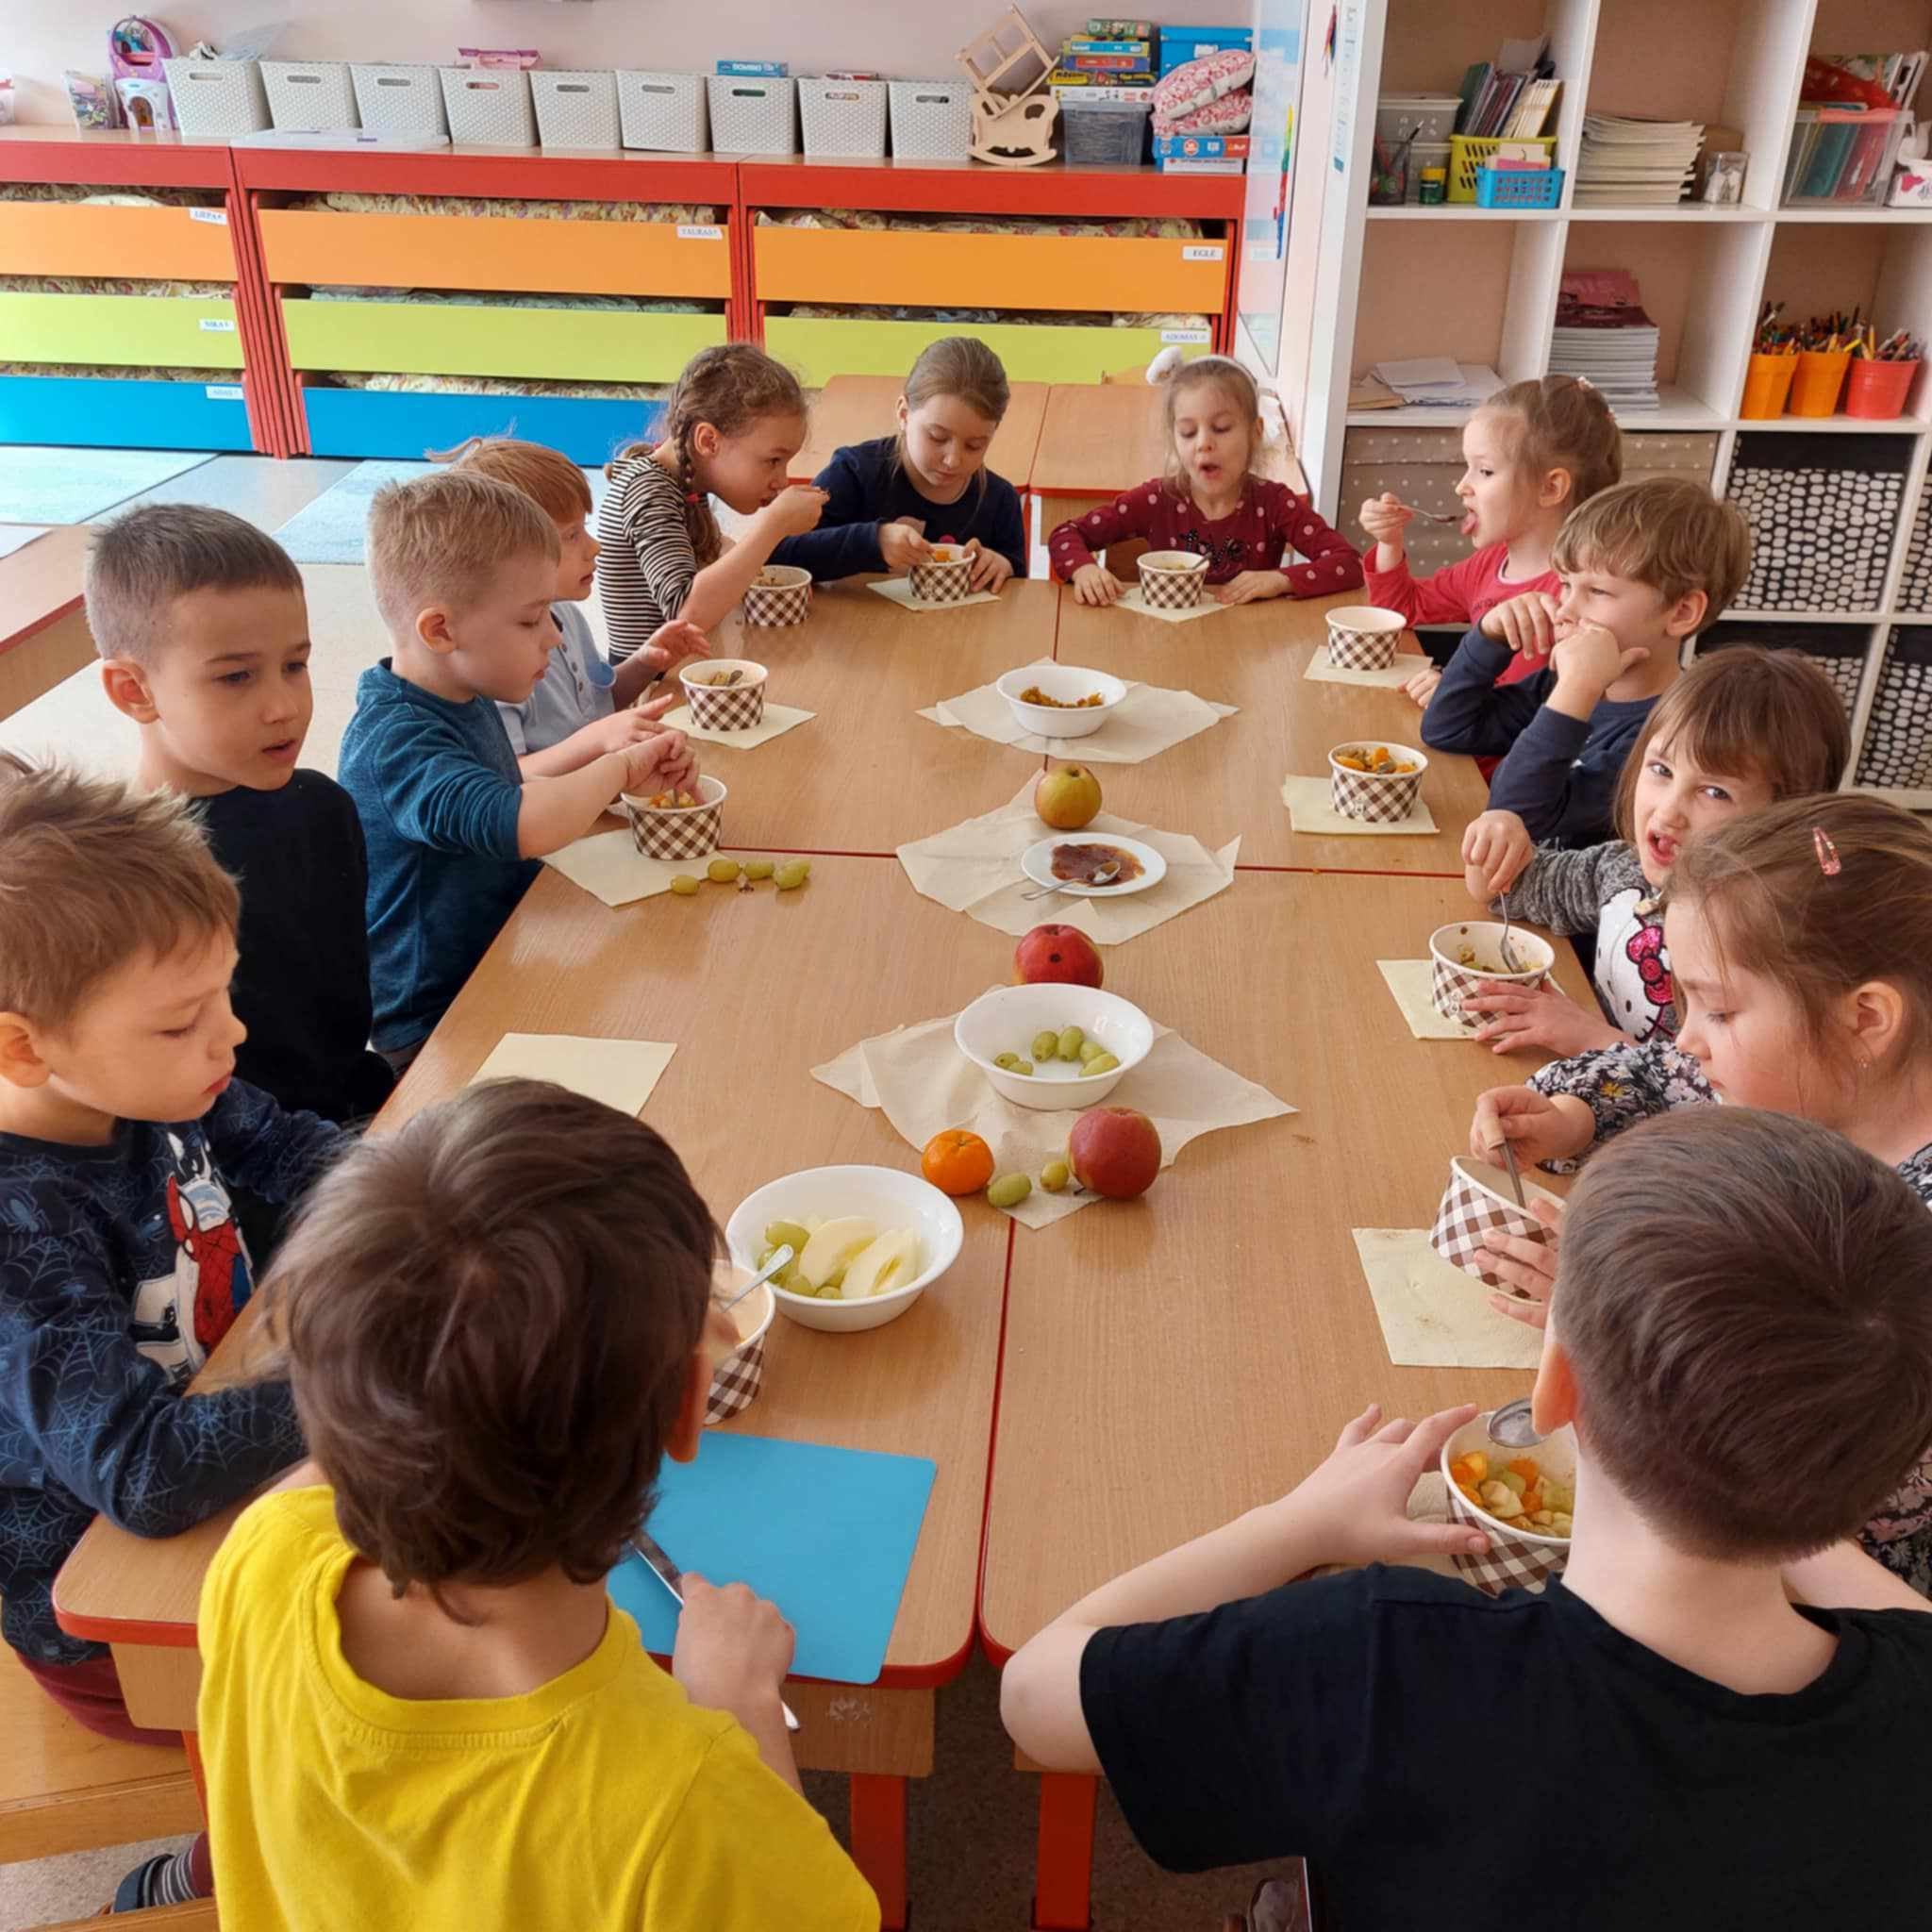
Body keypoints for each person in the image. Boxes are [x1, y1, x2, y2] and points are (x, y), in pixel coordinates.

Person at [1000, 1108, 1932, 1931]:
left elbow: (1035, 1698)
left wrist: (1297, 1524)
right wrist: (1785, 1449)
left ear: (1554, 1384)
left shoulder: (1381, 1660)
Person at [198, 1080, 879, 1931]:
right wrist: (740, 1708)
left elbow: (346, 1447)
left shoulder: (263, 1553)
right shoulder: (693, 1811)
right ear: (689, 1407)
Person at [0, 756, 343, 1911]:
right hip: (111, 1621)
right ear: (24, 1048)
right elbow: (143, 1475)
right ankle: (226, 1861)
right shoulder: (21, 1230)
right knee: (409, 1671)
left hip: (218, 1427)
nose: (231, 1035)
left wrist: (424, 1203)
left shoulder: (149, 1082)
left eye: (225, 996)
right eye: (184, 1019)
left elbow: (289, 1146)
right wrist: (359, 1375)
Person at [1472, 794, 1932, 1592]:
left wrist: (1626, 1323)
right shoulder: (1811, 1084)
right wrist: (1573, 1118)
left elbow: (1835, 1458)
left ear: (1865, 1018)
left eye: (1717, 1009)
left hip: (1819, 1584)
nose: (1687, 1037)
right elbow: (1665, 1074)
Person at [341, 471, 695, 1070]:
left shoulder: (464, 691)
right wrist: (619, 767)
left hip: (506, 952)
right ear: (441, 630)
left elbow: (514, 787)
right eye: (532, 620)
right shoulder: (395, 742)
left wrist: (619, 778)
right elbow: (518, 821)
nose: (554, 638)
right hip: (435, 1023)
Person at [88, 505, 392, 1137]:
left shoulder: (323, 808)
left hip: (360, 1112)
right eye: (235, 677)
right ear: (134, 691)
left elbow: (338, 1026)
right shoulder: (125, 882)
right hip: (240, 1161)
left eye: (295, 665)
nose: (283, 707)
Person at [1455, 645, 1849, 1058]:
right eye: (1662, 770)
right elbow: (1503, 889)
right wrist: (1497, 833)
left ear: (1785, 817)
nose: (1668, 811)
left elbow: (1719, 1086)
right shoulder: (1623, 872)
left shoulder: (1767, 945)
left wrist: (1594, 1039)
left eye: (1715, 792)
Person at [1422, 476, 1751, 848]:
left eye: (1597, 591)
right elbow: (1447, 729)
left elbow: (1516, 816)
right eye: (1565, 584)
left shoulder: (1670, 737)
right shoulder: (1561, 683)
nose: (1566, 609)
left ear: (1681, 612)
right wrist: (1489, 637)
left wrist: (1576, 690)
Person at [441, 436, 709, 768]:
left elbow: (596, 704)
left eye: (584, 528)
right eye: (571, 535)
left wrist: (646, 662)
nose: (595, 546)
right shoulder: (496, 657)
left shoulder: (567, 616)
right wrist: (596, 741)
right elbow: (513, 775)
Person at [1358, 374, 1622, 707]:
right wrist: (1389, 541)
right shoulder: (1489, 564)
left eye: (1484, 471)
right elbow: (1401, 609)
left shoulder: (1577, 599)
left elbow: (1549, 713)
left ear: (1550, 488)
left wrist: (1457, 692)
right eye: (1467, 467)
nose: (1461, 486)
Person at [1046, 354, 1361, 606]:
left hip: (1249, 645)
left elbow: (1348, 563)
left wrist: (1280, 579)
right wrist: (1084, 569)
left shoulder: (1274, 503)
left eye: (1221, 428)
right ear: (1174, 438)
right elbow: (1065, 534)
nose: (1203, 444)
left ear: (1255, 433)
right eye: (1187, 432)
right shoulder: (1158, 499)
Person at [596, 343, 828, 661]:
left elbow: (711, 550)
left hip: (688, 666)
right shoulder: (648, 490)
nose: (782, 480)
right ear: (708, 441)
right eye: (773, 460)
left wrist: (756, 574)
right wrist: (772, 526)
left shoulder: (687, 479)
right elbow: (685, 616)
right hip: (651, 683)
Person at [767, 335, 1026, 590]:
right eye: (937, 437)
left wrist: (1003, 565)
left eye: (974, 445)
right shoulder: (855, 473)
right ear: (904, 414)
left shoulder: (1001, 500)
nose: (952, 460)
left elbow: (1019, 582)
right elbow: (777, 556)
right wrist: (873, 542)